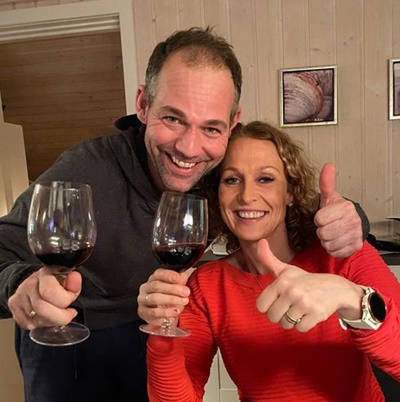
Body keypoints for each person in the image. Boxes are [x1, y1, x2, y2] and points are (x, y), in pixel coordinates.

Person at [0, 27, 367, 402]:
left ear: (232, 124)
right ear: (143, 104)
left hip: (161, 332)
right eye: (173, 119)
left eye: (211, 127)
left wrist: (352, 218)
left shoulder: (217, 167)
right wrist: (21, 285)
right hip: (76, 346)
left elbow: (284, 202)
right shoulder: (85, 170)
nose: (189, 149)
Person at [139, 121, 400, 402]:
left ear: (290, 191)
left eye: (265, 179)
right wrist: (162, 333)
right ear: (217, 193)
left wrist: (351, 298)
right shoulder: (207, 285)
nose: (247, 196)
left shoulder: (343, 255)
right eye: (232, 180)